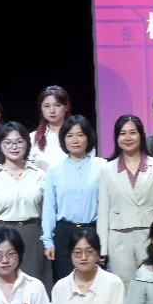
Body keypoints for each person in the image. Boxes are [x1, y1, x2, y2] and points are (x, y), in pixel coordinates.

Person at [0, 121, 52, 289]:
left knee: (33, 286)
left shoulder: (40, 176)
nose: (14, 147)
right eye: (8, 142)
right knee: (4, 285)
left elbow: (47, 211)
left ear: (27, 143)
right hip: (0, 235)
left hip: (32, 235)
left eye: (19, 141)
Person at [99, 114, 153, 286]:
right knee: (123, 286)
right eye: (122, 133)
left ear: (141, 135)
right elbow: (103, 210)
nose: (128, 138)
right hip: (119, 238)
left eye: (133, 132)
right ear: (116, 138)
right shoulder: (107, 170)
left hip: (150, 236)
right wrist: (102, 247)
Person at [40, 114, 109, 284]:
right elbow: (49, 207)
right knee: (66, 283)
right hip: (64, 232)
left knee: (94, 283)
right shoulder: (55, 170)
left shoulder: (102, 166)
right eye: (69, 135)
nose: (75, 140)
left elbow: (108, 206)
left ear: (88, 137)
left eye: (80, 135)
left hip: (93, 231)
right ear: (63, 139)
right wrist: (48, 240)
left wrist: (105, 242)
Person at [29, 85, 76, 172]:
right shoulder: (32, 138)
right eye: (46, 106)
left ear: (66, 106)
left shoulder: (78, 136)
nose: (52, 110)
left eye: (57, 105)